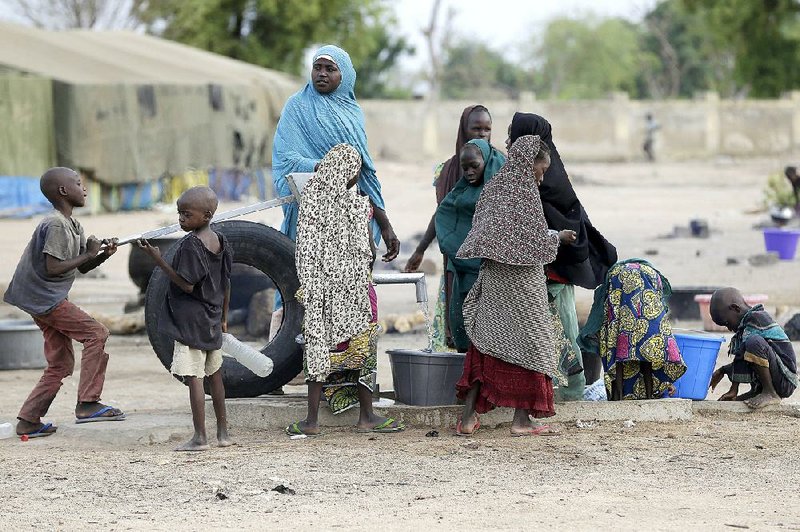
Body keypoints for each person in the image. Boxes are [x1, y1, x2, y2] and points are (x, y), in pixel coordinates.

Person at [270, 44, 400, 341]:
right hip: (308, 214)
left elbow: (364, 171)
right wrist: (327, 167)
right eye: (318, 67)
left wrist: (385, 224)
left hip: (348, 221)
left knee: (344, 289)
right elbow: (286, 157)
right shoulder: (298, 106)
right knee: (298, 282)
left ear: (346, 75)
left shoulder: (353, 113)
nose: (322, 74)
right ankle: (284, 361)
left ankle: (336, 363)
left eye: (331, 69)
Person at [454, 135, 577, 436]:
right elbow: (531, 241)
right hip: (523, 286)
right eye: (541, 169)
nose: (542, 176)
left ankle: (467, 419)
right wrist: (557, 237)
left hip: (495, 282)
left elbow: (490, 232)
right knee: (534, 344)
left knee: (486, 344)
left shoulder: (494, 187)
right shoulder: (524, 194)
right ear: (528, 162)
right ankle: (522, 421)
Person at [286, 144, 403, 436]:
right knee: (362, 349)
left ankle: (311, 421)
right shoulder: (357, 205)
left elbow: (304, 250)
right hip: (357, 294)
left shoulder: (311, 200)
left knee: (318, 348)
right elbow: (369, 253)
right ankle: (366, 416)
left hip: (319, 292)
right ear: (352, 174)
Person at [4, 167, 123, 438]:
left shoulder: (73, 224)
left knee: (60, 364)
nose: (84, 189)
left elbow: (80, 267)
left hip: (41, 300)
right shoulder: (55, 224)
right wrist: (89, 253)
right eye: (79, 184)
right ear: (62, 191)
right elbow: (54, 268)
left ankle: (29, 420)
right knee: (96, 333)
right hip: (45, 300)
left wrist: (102, 254)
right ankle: (88, 404)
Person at [508, 112, 617, 401]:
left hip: (550, 274)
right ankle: (551, 392)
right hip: (541, 272)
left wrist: (552, 237)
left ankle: (570, 392)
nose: (507, 141)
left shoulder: (540, 177)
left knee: (560, 335)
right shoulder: (534, 175)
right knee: (547, 336)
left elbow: (549, 222)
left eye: (513, 135)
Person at [138, 186, 233, 451]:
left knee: (195, 378)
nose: (181, 219)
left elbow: (187, 285)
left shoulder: (192, 245)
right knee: (215, 375)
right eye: (179, 213)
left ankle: (200, 437)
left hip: (191, 321)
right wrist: (223, 318)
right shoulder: (221, 241)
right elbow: (226, 282)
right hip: (212, 318)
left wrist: (159, 260)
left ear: (206, 215)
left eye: (186, 214)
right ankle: (223, 434)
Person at [404, 105, 493, 351]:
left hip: (490, 262)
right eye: (476, 128)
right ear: (464, 130)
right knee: (458, 320)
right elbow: (443, 213)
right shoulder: (449, 170)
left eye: (487, 129)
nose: (482, 134)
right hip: (456, 259)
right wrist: (421, 249)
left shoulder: (500, 166)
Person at [434, 139, 505, 352]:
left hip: (493, 272)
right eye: (465, 168)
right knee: (465, 323)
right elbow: (445, 216)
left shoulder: (500, 191)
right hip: (464, 270)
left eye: (475, 166)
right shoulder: (460, 193)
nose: (469, 172)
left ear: (487, 161)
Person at [579, 259, 686, 400]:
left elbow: (604, 318)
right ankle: (647, 397)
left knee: (619, 358)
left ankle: (618, 398)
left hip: (621, 303)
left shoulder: (616, 281)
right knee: (646, 360)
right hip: (645, 298)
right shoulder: (652, 311)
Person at [709, 287, 797, 409]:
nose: (729, 329)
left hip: (785, 380)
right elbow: (741, 356)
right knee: (733, 403)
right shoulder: (746, 325)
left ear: (735, 308)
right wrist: (723, 371)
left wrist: (734, 388)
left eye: (727, 323)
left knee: (753, 343)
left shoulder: (757, 319)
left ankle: (770, 392)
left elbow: (744, 351)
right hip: (776, 373)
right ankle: (759, 391)